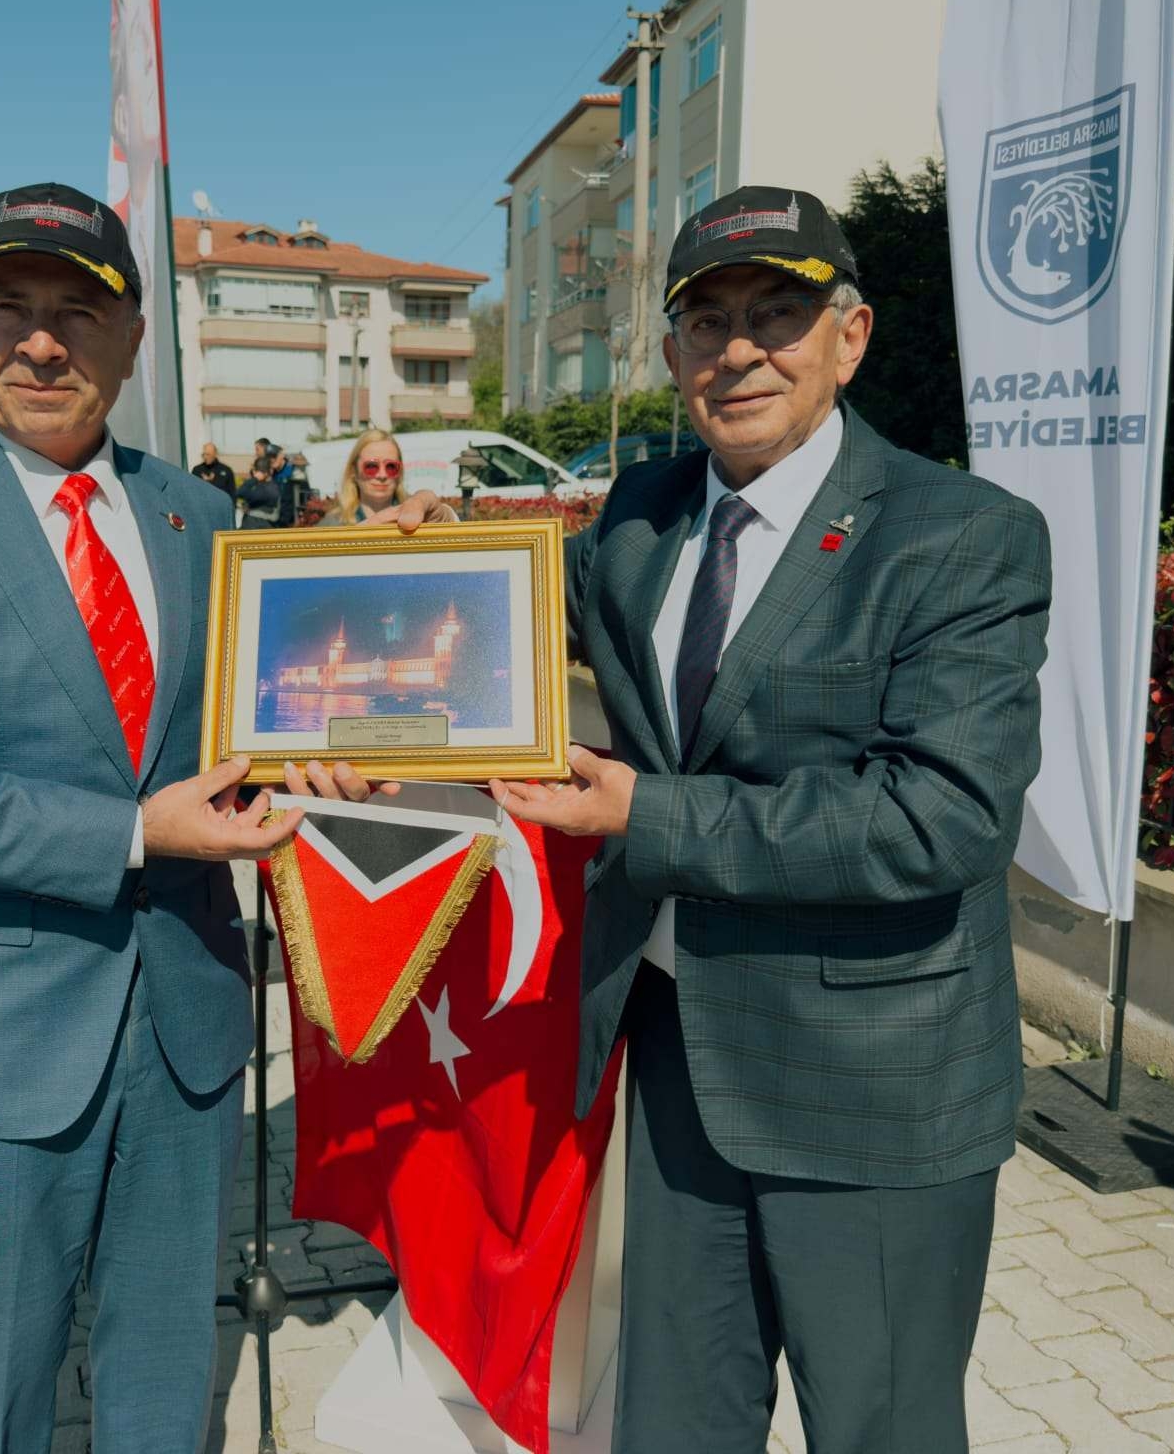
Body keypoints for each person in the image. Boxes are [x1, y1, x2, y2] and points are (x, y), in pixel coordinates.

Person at [388, 185, 1052, 1451]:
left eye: (776, 315)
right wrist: (402, 565)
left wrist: (646, 812)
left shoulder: (963, 535)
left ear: (850, 337)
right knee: (676, 1424)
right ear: (673, 352)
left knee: (883, 1430)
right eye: (707, 320)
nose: (738, 350)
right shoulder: (641, 512)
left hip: (872, 1081)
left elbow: (942, 818)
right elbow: (502, 622)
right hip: (678, 1053)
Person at [0, 181, 349, 1454]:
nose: (41, 343)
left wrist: (346, 735)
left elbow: (255, 733)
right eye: (9, 307)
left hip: (187, 1026)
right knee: (0, 1386)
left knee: (163, 1371)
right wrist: (137, 834)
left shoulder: (200, 517)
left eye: (78, 311)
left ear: (135, 337)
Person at [315, 429, 405, 525]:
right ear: (353, 471)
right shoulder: (332, 526)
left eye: (391, 466)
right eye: (371, 466)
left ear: (400, 471)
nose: (382, 475)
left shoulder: (415, 521)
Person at [234, 451, 283, 528]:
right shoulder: (263, 486)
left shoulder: (271, 488)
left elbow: (240, 493)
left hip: (260, 525)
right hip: (257, 524)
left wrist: (254, 479)